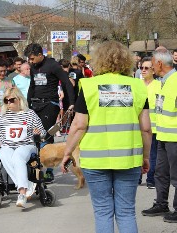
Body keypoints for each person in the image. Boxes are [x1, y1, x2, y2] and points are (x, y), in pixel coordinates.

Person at [61, 41, 151, 233]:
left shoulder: (90, 86)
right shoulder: (137, 86)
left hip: (95, 160)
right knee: (126, 212)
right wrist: (146, 156)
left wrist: (67, 152)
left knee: (103, 212)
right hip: (129, 158)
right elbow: (146, 129)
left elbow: (78, 126)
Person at [24, 43, 75, 182]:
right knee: (34, 136)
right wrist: (28, 105)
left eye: (32, 58)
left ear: (40, 55)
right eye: (29, 59)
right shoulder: (34, 68)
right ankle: (36, 168)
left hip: (50, 104)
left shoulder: (53, 65)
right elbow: (32, 86)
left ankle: (49, 170)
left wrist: (71, 103)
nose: (30, 61)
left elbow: (67, 83)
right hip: (36, 104)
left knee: (46, 135)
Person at [142, 47, 177, 223]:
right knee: (161, 173)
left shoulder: (175, 81)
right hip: (162, 136)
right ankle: (161, 203)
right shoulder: (164, 81)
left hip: (174, 139)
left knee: (176, 175)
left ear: (159, 63)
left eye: (152, 64)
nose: (150, 68)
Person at [0, 87, 46, 208]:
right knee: (2, 154)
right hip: (8, 146)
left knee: (18, 155)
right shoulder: (2, 117)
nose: (9, 103)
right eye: (6, 101)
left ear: (19, 100)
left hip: (27, 145)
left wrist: (38, 133)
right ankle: (28, 186)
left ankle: (22, 193)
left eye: (12, 100)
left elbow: (43, 133)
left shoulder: (29, 114)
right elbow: (2, 137)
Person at [140, 57, 161, 189]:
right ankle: (136, 178)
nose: (143, 70)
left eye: (146, 68)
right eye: (141, 68)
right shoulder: (136, 85)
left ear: (153, 70)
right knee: (137, 153)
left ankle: (150, 179)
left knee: (151, 155)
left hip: (153, 126)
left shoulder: (159, 85)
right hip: (137, 126)